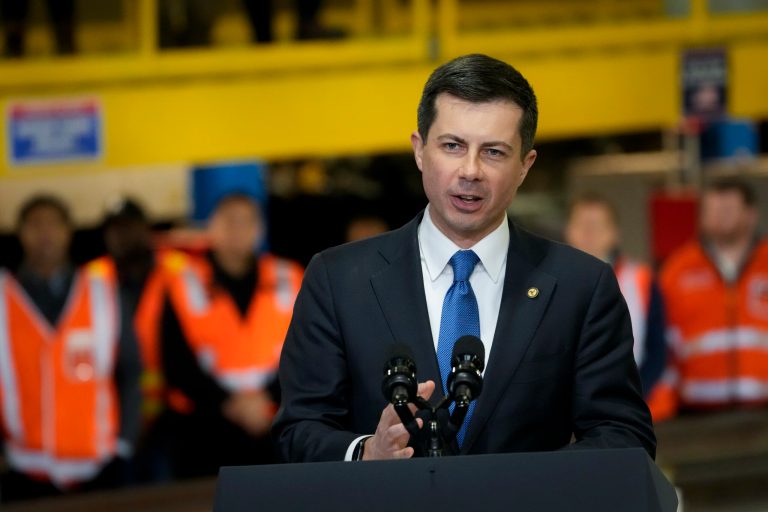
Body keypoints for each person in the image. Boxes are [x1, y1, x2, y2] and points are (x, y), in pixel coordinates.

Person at [273, 54, 655, 462]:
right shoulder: (337, 279)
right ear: (419, 151)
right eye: (453, 146)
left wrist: (527, 486)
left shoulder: (582, 286)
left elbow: (624, 436)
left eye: (493, 152)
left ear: (525, 166)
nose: (470, 170)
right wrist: (366, 452)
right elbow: (297, 432)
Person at [0, 196, 140, 503]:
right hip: (25, 467)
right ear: (20, 233)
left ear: (68, 232)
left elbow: (130, 370)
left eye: (53, 224)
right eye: (35, 225)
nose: (45, 233)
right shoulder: (3, 296)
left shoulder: (103, 291)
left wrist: (124, 443)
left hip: (99, 464)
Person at [157, 193, 303, 478]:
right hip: (204, 430)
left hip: (275, 422)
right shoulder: (182, 283)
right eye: (229, 221)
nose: (238, 229)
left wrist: (268, 399)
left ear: (260, 229)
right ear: (211, 228)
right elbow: (174, 361)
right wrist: (228, 405)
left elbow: (309, 350)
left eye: (247, 221)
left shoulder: (290, 276)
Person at [650, 178, 768, 421]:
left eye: (727, 209)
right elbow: (661, 346)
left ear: (751, 214)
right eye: (711, 210)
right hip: (694, 417)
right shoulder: (677, 271)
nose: (718, 217)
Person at [564, 193, 667, 398]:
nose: (589, 234)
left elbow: (658, 350)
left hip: (630, 403)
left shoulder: (642, 280)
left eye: (597, 226)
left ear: (615, 233)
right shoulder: (545, 283)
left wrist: (632, 398)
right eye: (582, 225)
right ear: (568, 231)